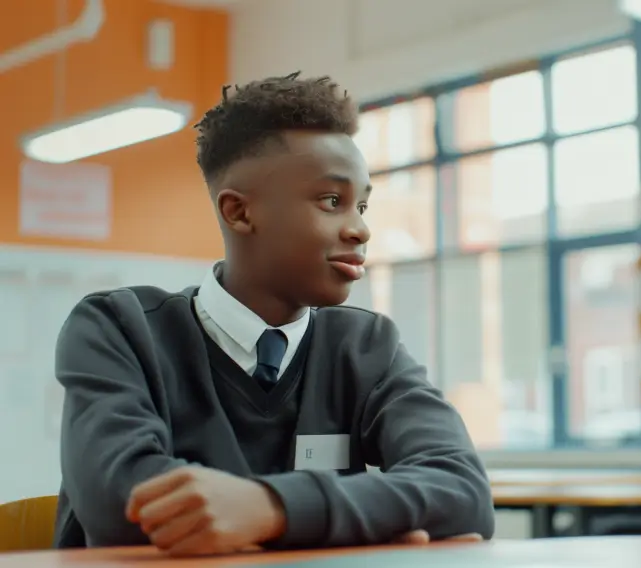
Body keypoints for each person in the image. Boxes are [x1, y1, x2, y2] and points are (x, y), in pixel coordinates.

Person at [53, 72, 494, 556]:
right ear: (239, 213)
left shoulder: (367, 346)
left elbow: (463, 493)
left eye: (362, 205)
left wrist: (268, 509)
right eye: (332, 201)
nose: (361, 229)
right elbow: (125, 510)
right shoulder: (120, 329)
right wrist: (371, 521)